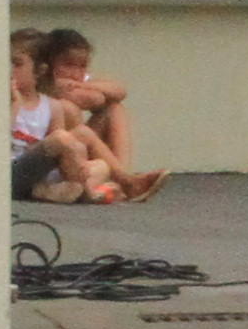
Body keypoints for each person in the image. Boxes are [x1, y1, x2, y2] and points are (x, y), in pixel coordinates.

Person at [40, 27, 166, 200]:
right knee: (73, 114)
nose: (76, 73)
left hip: (79, 150)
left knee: (114, 109)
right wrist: (83, 88)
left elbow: (119, 91)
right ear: (49, 64)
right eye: (68, 65)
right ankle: (126, 182)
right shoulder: (47, 85)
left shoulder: (76, 82)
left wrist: (83, 85)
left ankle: (123, 177)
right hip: (55, 157)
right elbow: (94, 100)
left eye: (83, 66)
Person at [10, 31, 123, 206]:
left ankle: (52, 190)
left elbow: (60, 152)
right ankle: (88, 192)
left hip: (40, 175)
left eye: (16, 64)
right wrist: (14, 104)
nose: (9, 70)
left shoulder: (51, 106)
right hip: (10, 173)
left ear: (40, 71)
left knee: (101, 165)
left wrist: (77, 162)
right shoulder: (4, 101)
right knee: (63, 138)